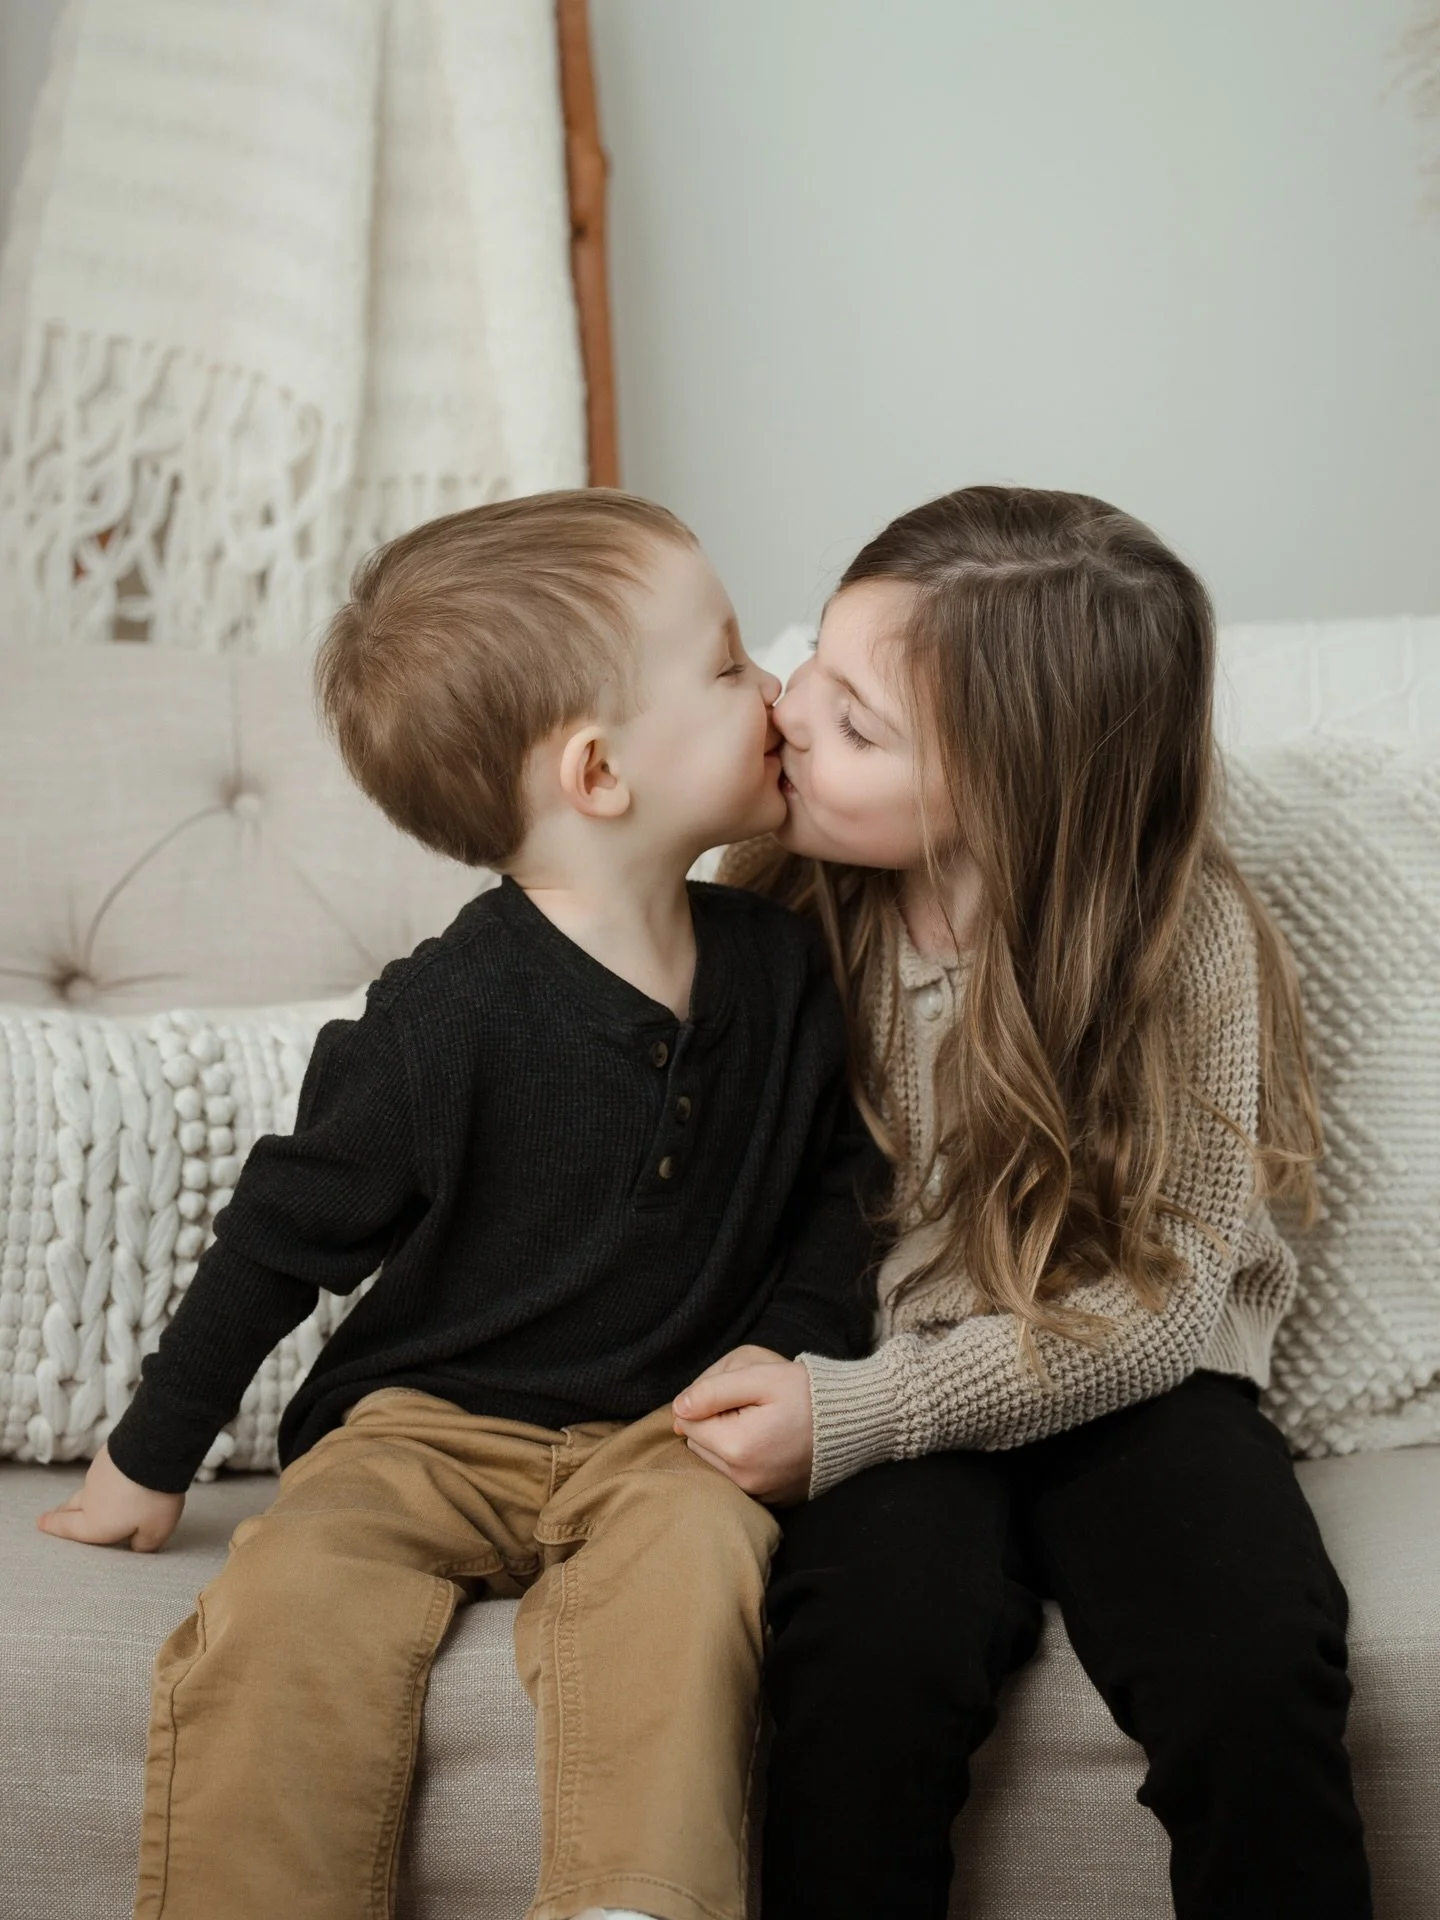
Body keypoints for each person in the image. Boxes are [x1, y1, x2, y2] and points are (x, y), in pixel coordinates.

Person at [37, 490, 883, 1920]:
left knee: (697, 1576)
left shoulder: (785, 969)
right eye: (735, 665)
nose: (781, 688)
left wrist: (789, 1347)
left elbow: (843, 1193)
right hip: (427, 1423)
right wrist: (147, 1457)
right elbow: (280, 1236)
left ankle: (636, 1901)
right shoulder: (440, 1019)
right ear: (603, 771)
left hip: (667, 1434)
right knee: (292, 1598)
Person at [672, 486, 1373, 1920]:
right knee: (863, 1653)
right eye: (814, 659)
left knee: (1255, 1662)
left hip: (1130, 1372)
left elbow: (1166, 1308)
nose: (794, 712)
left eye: (860, 726)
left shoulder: (1183, 945)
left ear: (1017, 793)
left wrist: (859, 1418)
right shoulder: (778, 905)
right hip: (880, 1371)